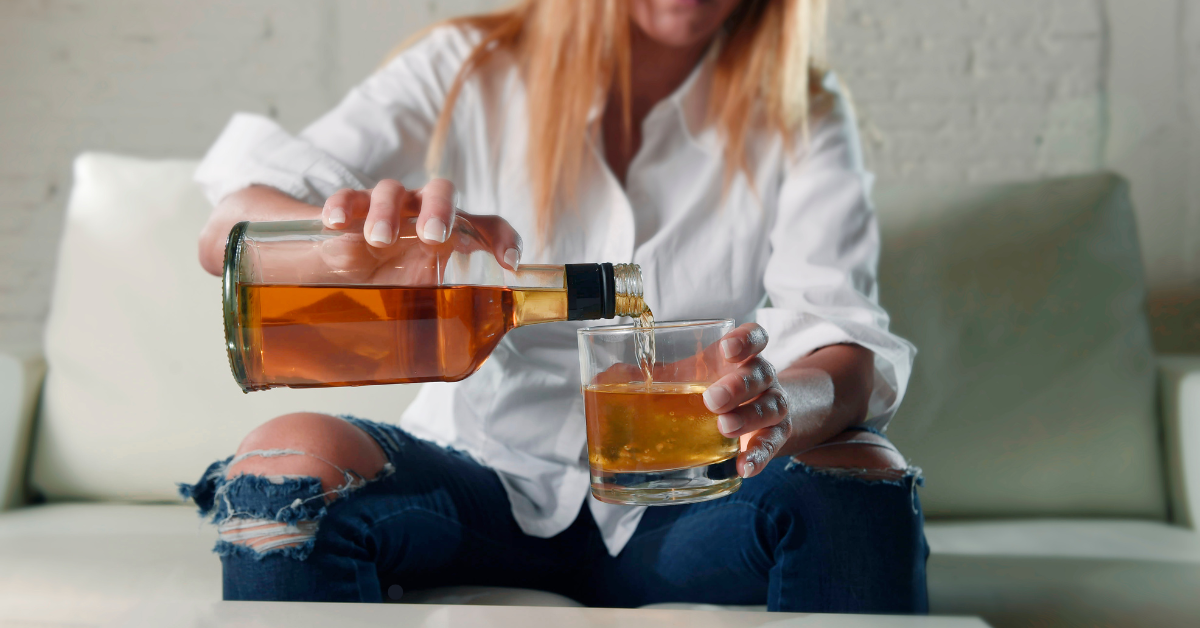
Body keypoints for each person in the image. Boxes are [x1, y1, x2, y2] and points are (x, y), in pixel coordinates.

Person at [182, 0, 925, 612]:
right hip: (478, 479)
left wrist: (779, 407)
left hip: (688, 495)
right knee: (284, 456)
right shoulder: (470, 65)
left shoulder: (803, 110)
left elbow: (844, 335)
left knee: (860, 470)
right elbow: (227, 225)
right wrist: (339, 245)